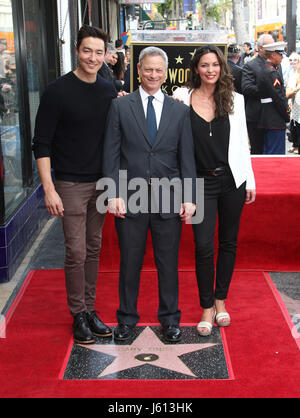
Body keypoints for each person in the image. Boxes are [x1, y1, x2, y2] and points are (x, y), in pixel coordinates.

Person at [102, 46, 196, 343]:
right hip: (130, 197)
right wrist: (112, 193)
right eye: (148, 69)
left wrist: (190, 196)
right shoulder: (120, 106)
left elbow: (187, 158)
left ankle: (169, 319)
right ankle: (126, 319)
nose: (153, 74)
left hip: (169, 198)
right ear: (138, 70)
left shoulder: (180, 110)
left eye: (158, 70)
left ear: (165, 73)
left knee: (168, 262)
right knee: (129, 261)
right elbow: (111, 153)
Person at [32, 25, 117, 344]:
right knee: (76, 250)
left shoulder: (107, 90)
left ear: (105, 54)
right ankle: (78, 313)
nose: (93, 57)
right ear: (76, 51)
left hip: (101, 183)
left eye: (99, 52)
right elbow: (41, 143)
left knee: (94, 249)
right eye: (87, 51)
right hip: (69, 183)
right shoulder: (58, 91)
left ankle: (90, 309)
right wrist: (48, 188)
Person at [173, 45, 256, 336]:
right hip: (198, 183)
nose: (210, 70)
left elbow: (243, 142)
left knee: (228, 242)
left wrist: (251, 179)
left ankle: (221, 301)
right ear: (196, 68)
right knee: (204, 245)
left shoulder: (235, 100)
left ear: (222, 67)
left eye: (215, 65)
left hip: (232, 181)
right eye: (204, 65)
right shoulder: (182, 99)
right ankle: (206, 306)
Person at [242, 34, 275, 154]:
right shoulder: (250, 65)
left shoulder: (276, 63)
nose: (273, 48)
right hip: (257, 116)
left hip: (273, 116)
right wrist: (269, 90)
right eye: (269, 46)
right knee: (258, 151)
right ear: (260, 48)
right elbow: (247, 88)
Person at [258, 42, 290, 154]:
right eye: (280, 54)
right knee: (275, 155)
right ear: (272, 55)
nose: (282, 57)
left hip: (268, 117)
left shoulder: (266, 70)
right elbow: (279, 97)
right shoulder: (271, 72)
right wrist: (287, 114)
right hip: (274, 119)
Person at [286, 52, 300, 153]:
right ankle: (295, 144)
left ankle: (298, 145)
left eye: (295, 60)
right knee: (293, 123)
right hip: (293, 99)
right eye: (291, 60)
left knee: (298, 123)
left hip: (298, 100)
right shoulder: (291, 72)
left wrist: (294, 91)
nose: (292, 62)